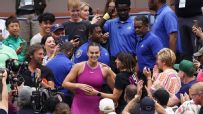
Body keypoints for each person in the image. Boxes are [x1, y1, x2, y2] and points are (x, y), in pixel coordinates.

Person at [62, 42, 115, 114]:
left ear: (100, 53)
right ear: (87, 53)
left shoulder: (104, 69)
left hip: (96, 106)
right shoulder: (78, 66)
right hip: (78, 104)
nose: (94, 55)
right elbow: (65, 84)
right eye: (91, 53)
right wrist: (78, 85)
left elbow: (116, 91)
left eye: (96, 53)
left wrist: (111, 72)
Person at [100, 0, 137, 72]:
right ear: (116, 10)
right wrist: (107, 14)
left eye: (125, 10)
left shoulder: (135, 22)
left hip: (129, 61)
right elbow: (96, 27)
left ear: (129, 9)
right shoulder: (111, 23)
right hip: (114, 61)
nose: (122, 12)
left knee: (130, 83)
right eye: (120, 10)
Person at [135, 15, 163, 82]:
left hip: (151, 75)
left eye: (139, 27)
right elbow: (139, 59)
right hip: (142, 75)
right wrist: (136, 74)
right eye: (135, 27)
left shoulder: (153, 39)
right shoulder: (140, 39)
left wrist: (155, 76)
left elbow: (160, 59)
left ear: (146, 26)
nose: (136, 29)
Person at [46, 42, 74, 106]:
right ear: (70, 51)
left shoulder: (48, 63)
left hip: (51, 98)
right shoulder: (70, 64)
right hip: (65, 99)